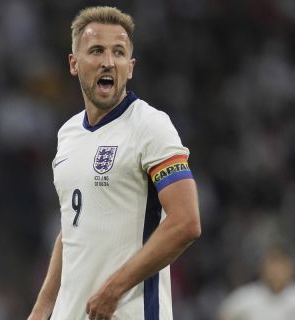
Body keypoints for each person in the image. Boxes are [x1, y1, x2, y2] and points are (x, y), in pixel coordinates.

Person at [27, 6, 201, 320]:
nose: (108, 61)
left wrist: (113, 290)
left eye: (118, 52)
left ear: (130, 67)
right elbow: (71, 230)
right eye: (96, 51)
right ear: (74, 63)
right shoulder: (67, 134)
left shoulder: (150, 126)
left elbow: (185, 222)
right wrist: (42, 308)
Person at [216, 245, 295, 320]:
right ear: (262, 269)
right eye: (272, 265)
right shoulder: (247, 296)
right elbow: (222, 316)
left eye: (280, 266)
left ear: (290, 269)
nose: (276, 271)